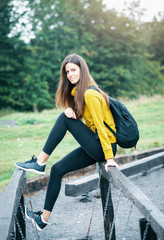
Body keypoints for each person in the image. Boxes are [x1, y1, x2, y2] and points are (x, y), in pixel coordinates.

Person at [15, 53, 119, 231]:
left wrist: (109, 158)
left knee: (63, 119)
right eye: (67, 72)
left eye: (73, 70)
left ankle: (40, 162)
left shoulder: (90, 94)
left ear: (82, 70)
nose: (70, 74)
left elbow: (101, 127)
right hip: (96, 143)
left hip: (104, 146)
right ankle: (43, 219)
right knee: (57, 169)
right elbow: (87, 120)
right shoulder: (79, 91)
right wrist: (71, 109)